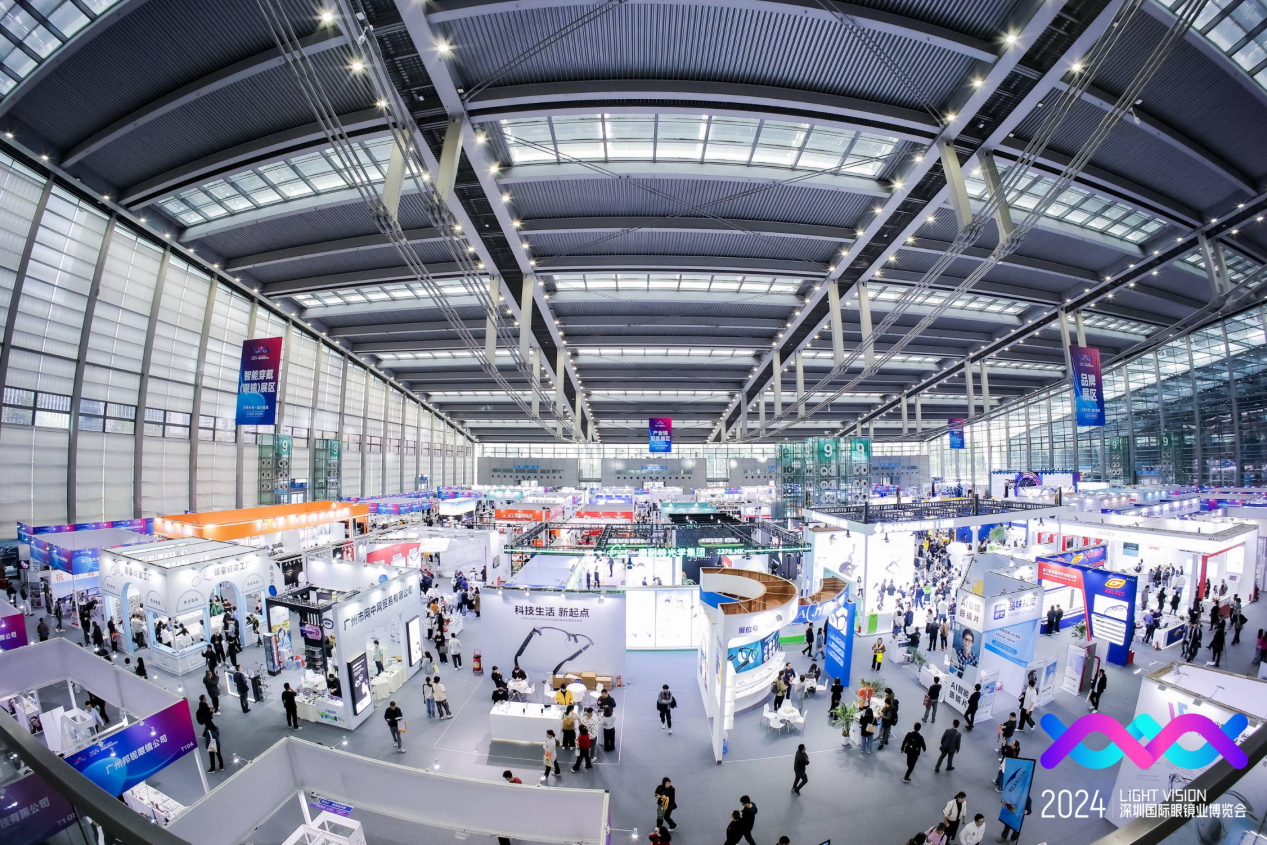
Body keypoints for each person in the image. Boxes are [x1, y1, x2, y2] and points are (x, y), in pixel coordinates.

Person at [196, 695, 224, 772]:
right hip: (215, 739)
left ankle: (213, 768)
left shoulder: (209, 730)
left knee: (212, 754)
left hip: (212, 739)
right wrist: (210, 712)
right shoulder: (214, 727)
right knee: (218, 753)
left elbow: (209, 742)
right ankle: (221, 766)